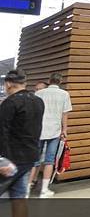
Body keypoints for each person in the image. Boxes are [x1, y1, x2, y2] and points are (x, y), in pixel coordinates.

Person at [0, 70, 44, 215]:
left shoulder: (10, 103)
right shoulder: (38, 101)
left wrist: (2, 160)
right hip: (30, 157)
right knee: (19, 196)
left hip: (10, 159)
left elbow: (2, 133)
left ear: (8, 84)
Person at [30, 73, 72, 198]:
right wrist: (64, 130)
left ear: (49, 81)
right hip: (55, 131)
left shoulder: (39, 93)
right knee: (50, 160)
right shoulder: (64, 94)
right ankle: (44, 190)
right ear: (61, 81)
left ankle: (26, 189)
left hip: (39, 130)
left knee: (35, 161)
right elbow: (65, 114)